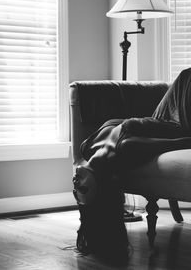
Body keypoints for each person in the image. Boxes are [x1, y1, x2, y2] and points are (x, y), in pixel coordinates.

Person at [73, 68, 191, 264]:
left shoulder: (89, 147)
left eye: (75, 187)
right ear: (100, 183)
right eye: (82, 187)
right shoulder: (127, 147)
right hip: (177, 123)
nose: (76, 181)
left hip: (165, 116)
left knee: (185, 74)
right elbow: (177, 141)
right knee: (187, 75)